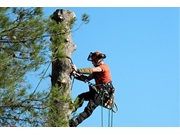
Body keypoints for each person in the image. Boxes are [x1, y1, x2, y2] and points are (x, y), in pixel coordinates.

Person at [69, 51, 115, 127]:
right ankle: (72, 108)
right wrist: (75, 75)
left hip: (102, 93)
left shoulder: (103, 67)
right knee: (82, 96)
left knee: (89, 108)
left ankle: (75, 122)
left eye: (93, 61)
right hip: (97, 92)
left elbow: (90, 70)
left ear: (97, 60)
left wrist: (77, 70)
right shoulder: (96, 71)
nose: (92, 63)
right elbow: (87, 78)